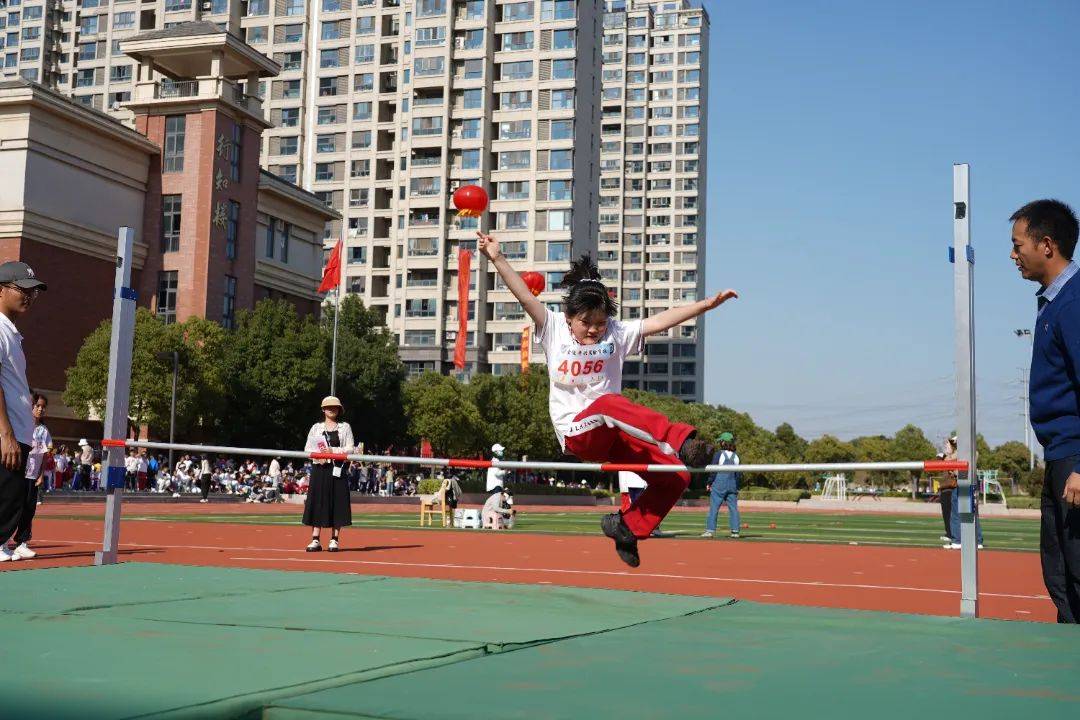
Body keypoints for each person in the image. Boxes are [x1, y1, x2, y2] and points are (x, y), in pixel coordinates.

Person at [478, 234, 737, 567]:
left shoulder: (617, 332)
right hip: (577, 431)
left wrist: (705, 306)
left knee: (677, 476)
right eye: (585, 323)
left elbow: (661, 320)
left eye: (599, 324)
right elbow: (526, 297)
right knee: (606, 403)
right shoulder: (552, 327)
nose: (593, 331)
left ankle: (627, 527)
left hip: (615, 433)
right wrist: (497, 258)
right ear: (569, 317)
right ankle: (683, 441)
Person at [1010, 199, 1080, 622]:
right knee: (1060, 575)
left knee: (1075, 573)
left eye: (1018, 245)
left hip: (1074, 457)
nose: (1013, 254)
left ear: (1047, 245)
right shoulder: (1054, 303)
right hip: (1060, 455)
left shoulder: (1073, 303)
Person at [0, 261, 45, 562]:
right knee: (7, 501)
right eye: (22, 289)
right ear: (1, 290)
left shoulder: (12, 333)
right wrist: (6, 434)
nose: (28, 296)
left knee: (13, 501)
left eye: (33, 292)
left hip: (18, 431)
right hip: (7, 435)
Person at [302, 396, 355, 552]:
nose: (332, 409)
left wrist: (333, 452)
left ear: (339, 410)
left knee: (338, 502)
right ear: (323, 409)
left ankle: (334, 539)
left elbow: (350, 448)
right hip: (319, 469)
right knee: (317, 501)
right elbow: (307, 449)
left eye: (335, 407)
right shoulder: (316, 427)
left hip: (337, 469)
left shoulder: (345, 427)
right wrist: (319, 457)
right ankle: (315, 539)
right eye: (329, 407)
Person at [7, 393, 50, 560]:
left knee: (28, 509)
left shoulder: (44, 431)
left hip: (32, 475)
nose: (40, 409)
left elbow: (44, 454)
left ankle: (22, 543)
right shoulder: (20, 425)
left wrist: (40, 474)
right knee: (11, 507)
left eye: (43, 407)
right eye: (37, 406)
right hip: (18, 472)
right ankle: (3, 542)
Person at [701, 432, 741, 539]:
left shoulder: (719, 454)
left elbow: (713, 470)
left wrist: (709, 482)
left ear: (723, 442)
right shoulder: (736, 457)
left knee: (714, 507)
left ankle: (710, 530)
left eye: (721, 441)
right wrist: (737, 487)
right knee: (733, 509)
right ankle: (735, 531)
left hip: (719, 484)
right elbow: (738, 474)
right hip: (732, 484)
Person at [938, 436, 959, 544]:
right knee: (947, 513)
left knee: (953, 514)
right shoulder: (949, 456)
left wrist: (948, 454)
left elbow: (949, 461)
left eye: (950, 444)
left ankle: (953, 535)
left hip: (952, 488)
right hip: (946, 487)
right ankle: (950, 534)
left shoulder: (957, 455)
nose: (948, 446)